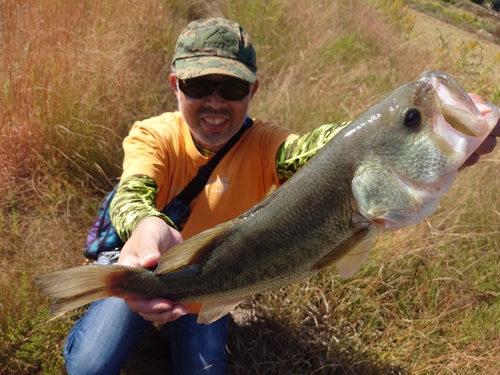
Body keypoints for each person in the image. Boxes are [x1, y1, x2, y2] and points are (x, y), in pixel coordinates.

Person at [62, 18, 500, 375]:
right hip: (149, 269)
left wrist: (421, 141)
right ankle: (112, 304)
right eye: (198, 86)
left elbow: (325, 150)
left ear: (252, 90)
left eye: (231, 89)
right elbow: (132, 194)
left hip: (210, 290)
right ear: (176, 85)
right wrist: (143, 231)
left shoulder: (271, 144)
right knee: (89, 365)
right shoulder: (152, 135)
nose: (215, 102)